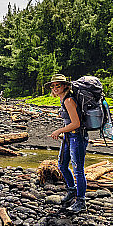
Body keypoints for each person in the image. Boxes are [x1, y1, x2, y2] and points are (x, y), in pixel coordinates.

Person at [45, 73, 88, 214]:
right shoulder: (63, 100)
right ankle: (71, 191)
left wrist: (59, 131)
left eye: (58, 85)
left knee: (78, 170)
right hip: (69, 137)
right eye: (53, 86)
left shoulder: (69, 100)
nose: (55, 88)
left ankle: (81, 201)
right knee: (62, 165)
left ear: (65, 86)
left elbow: (76, 123)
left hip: (77, 137)